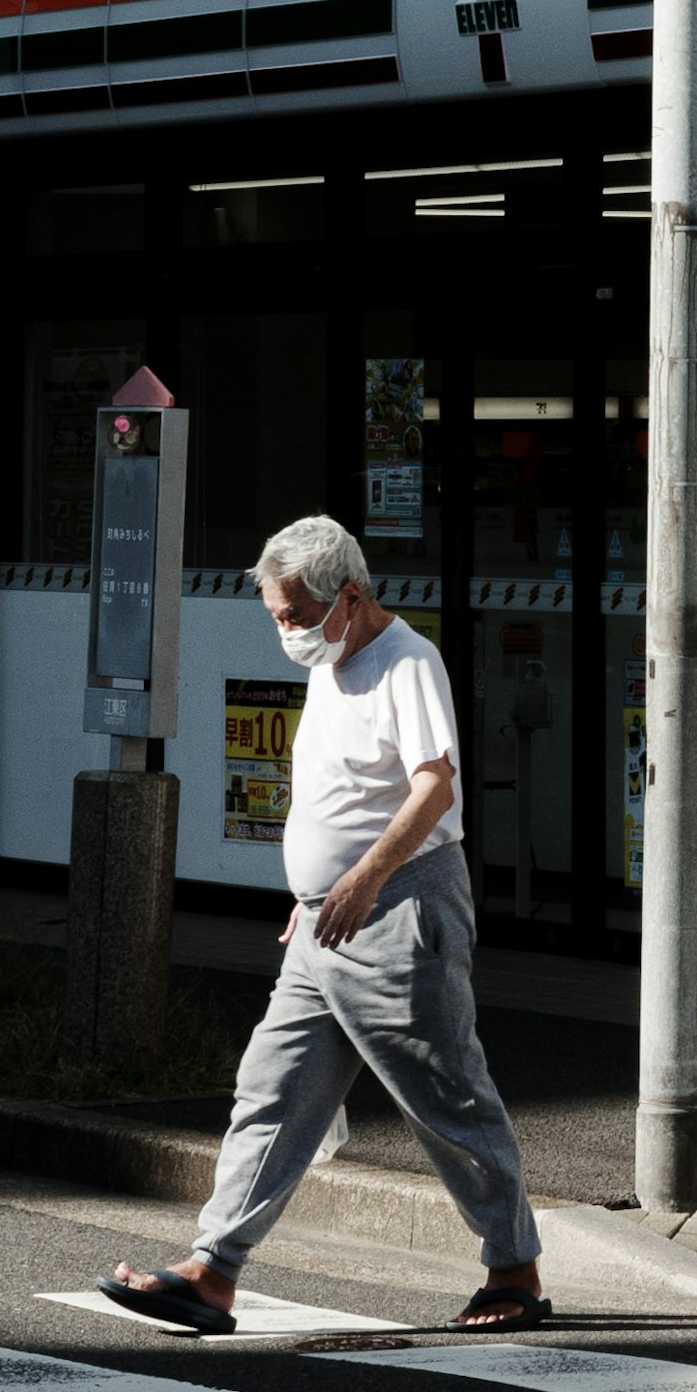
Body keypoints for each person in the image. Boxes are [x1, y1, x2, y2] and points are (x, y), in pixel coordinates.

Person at [100, 513, 549, 1340]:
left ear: (349, 594)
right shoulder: (333, 661)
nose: (287, 631)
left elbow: (433, 789)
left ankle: (514, 1269)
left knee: (444, 1096)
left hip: (397, 911)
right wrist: (310, 895)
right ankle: (212, 1271)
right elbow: (340, 796)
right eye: (277, 615)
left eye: (296, 614)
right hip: (325, 921)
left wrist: (356, 882)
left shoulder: (405, 661)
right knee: (272, 1089)